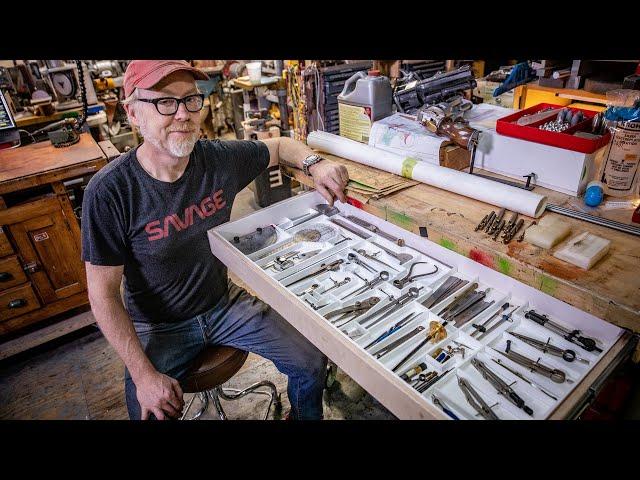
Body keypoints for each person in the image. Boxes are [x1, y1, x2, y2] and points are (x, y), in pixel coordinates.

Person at [81, 60, 349, 420]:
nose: (182, 114)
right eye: (165, 102)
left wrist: (315, 164)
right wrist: (144, 375)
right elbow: (102, 295)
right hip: (159, 326)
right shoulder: (111, 191)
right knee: (147, 411)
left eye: (191, 100)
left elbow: (281, 145)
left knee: (311, 361)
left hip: (222, 304)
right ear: (132, 113)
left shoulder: (216, 160)